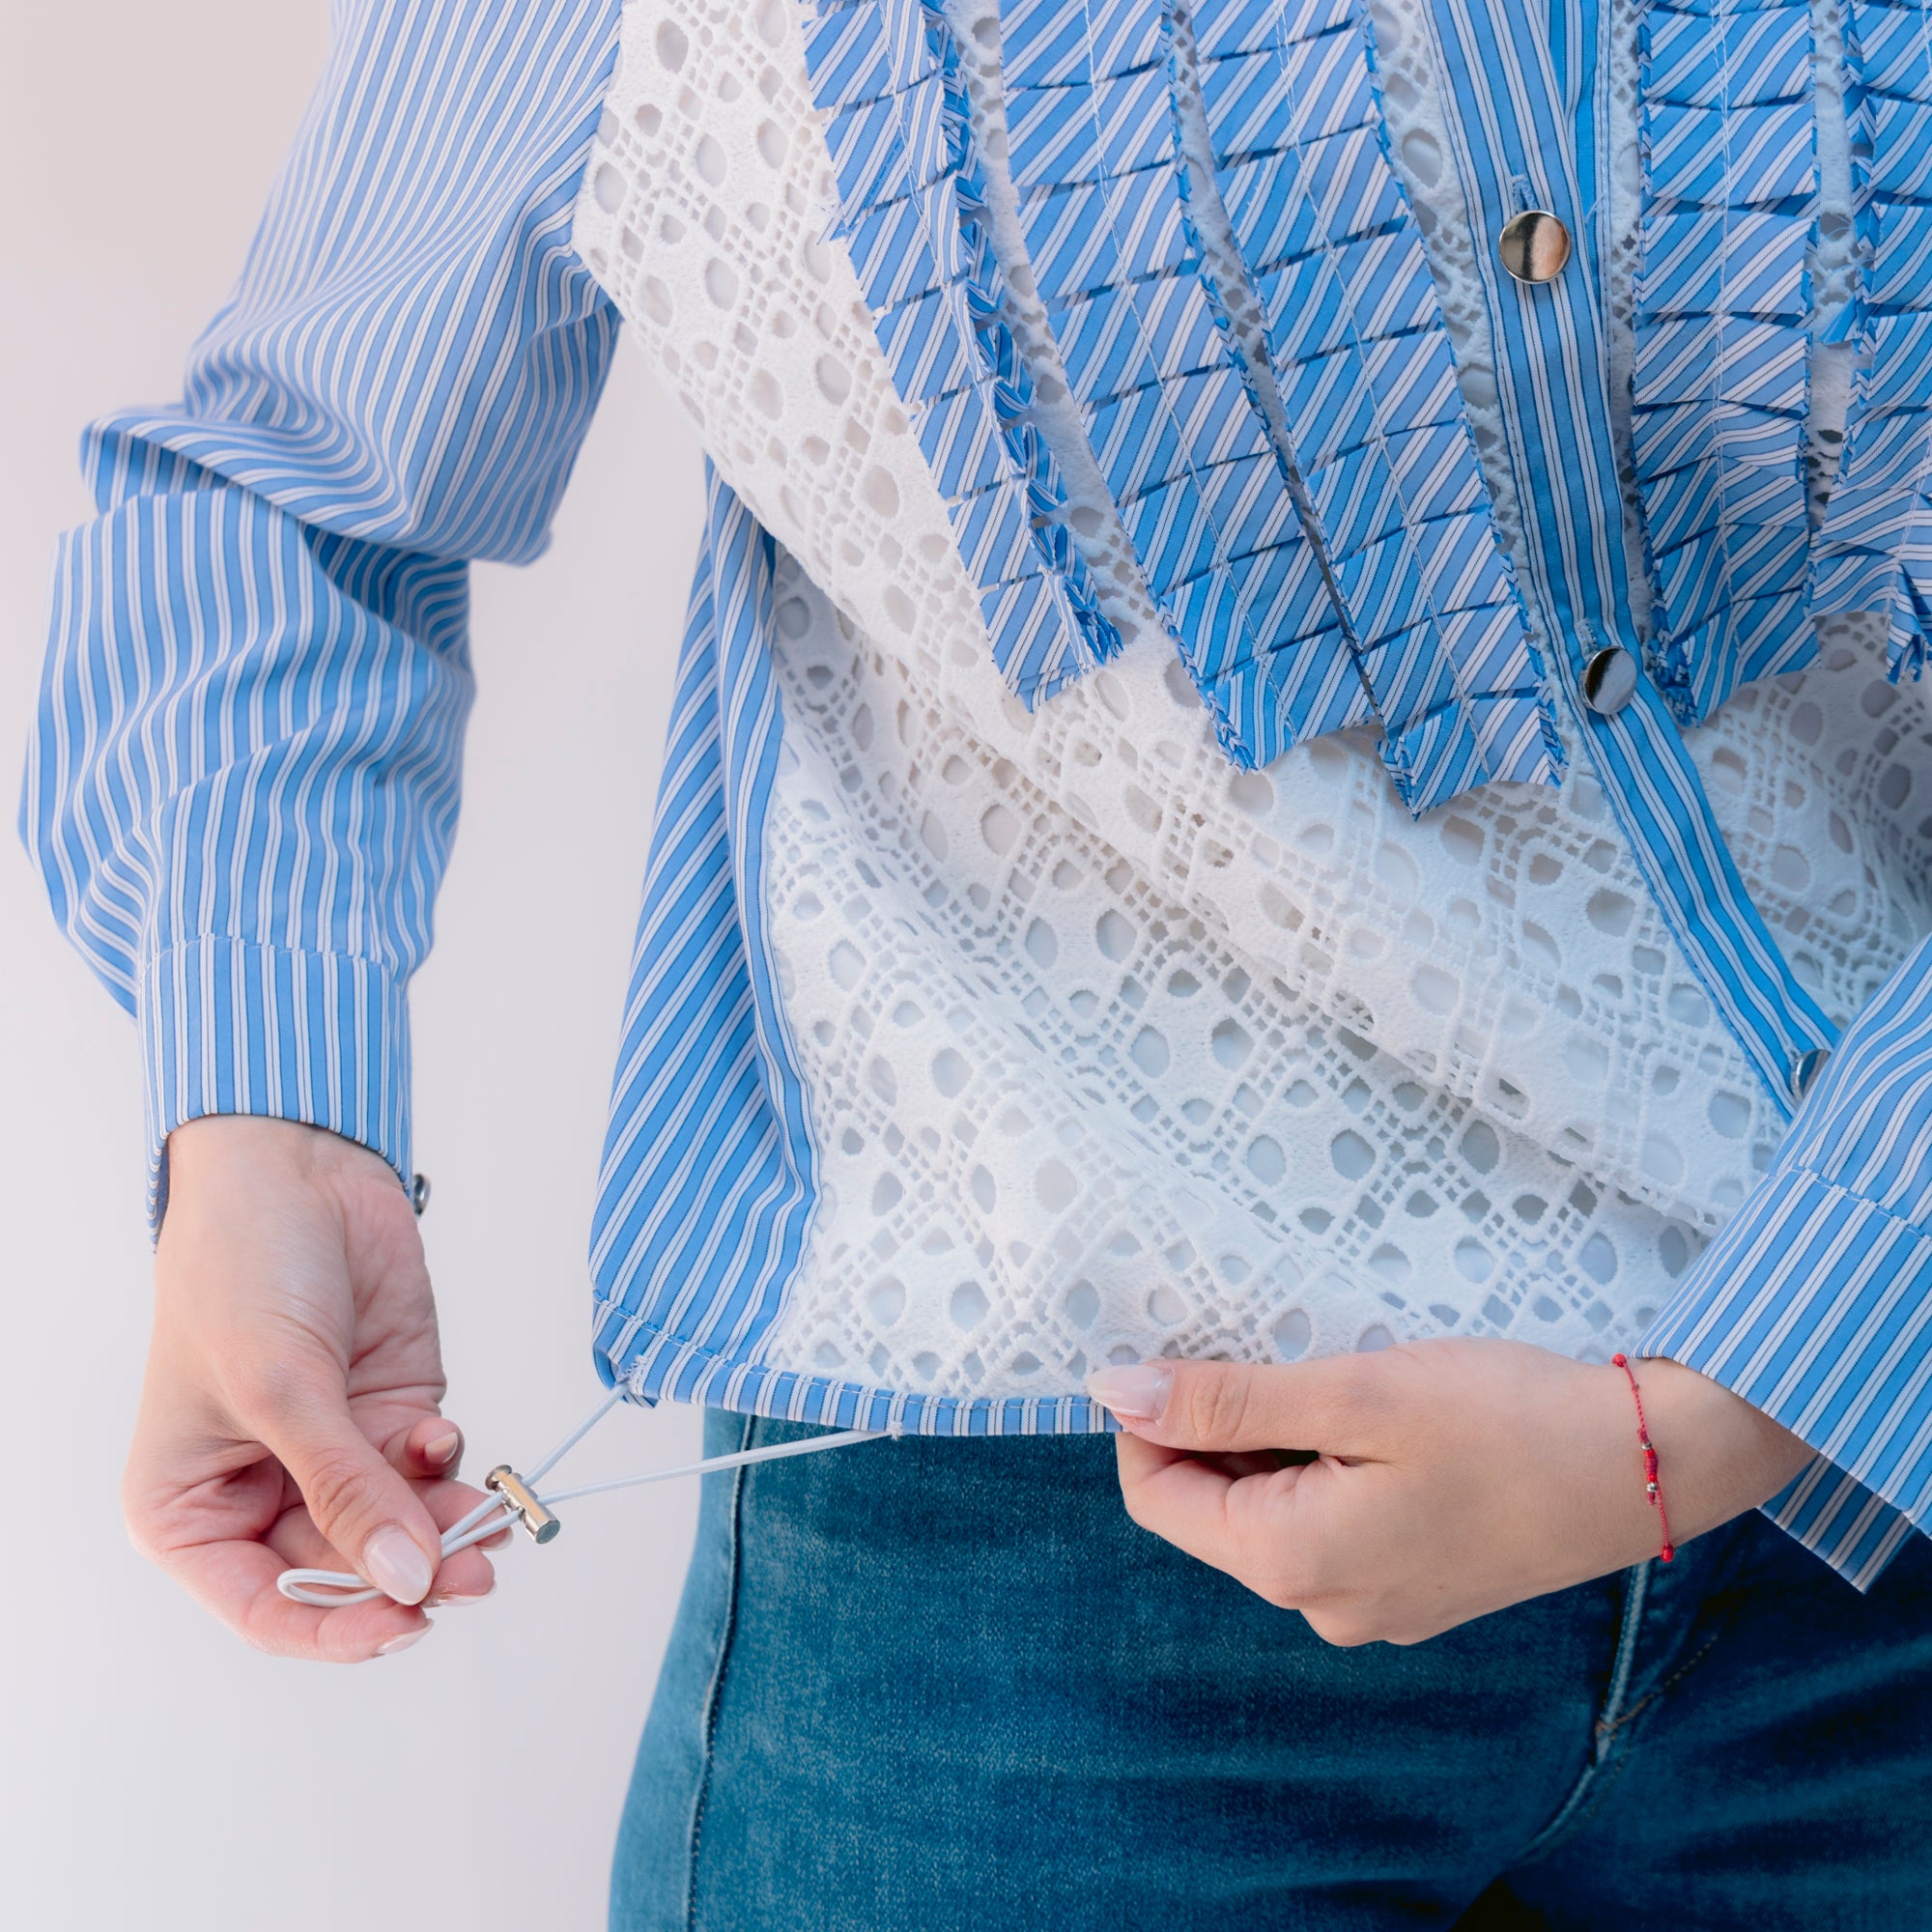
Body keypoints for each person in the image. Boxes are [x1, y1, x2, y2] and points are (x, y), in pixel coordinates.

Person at [24, 0, 1932, 1921]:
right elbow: (296, 483)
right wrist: (264, 1125)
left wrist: (1781, 1375)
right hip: (1015, 1597)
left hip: (1880, 1493)